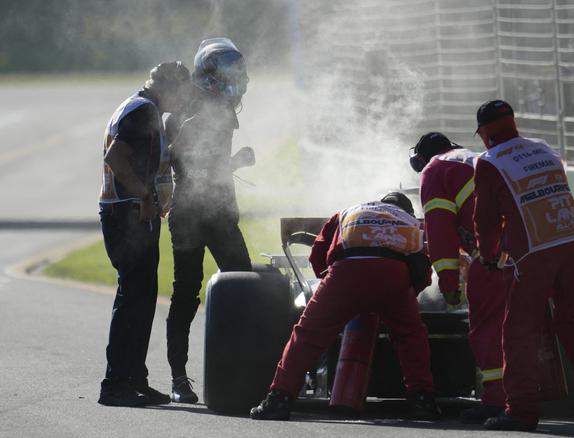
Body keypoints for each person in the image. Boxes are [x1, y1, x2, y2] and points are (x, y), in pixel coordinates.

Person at [472, 99, 574, 431]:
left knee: (519, 330)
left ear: (484, 133)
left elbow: (485, 217)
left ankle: (522, 411)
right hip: (573, 239)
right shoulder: (544, 148)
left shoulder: (489, 161)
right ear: (513, 122)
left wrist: (487, 254)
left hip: (534, 249)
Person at [250, 193, 440, 421]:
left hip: (345, 272)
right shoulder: (412, 222)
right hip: (392, 275)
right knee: (411, 336)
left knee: (307, 335)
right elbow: (423, 268)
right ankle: (423, 401)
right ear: (406, 210)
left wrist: (330, 284)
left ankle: (279, 398)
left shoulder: (349, 211)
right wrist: (411, 294)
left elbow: (318, 254)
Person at [165, 37, 253, 403]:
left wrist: (233, 166)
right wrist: (235, 163)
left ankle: (246, 365)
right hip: (190, 212)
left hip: (219, 210)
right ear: (209, 75)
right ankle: (179, 377)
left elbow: (212, 168)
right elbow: (187, 168)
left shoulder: (223, 108)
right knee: (187, 292)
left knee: (244, 283)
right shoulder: (185, 114)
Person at [98, 61, 190, 406]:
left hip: (134, 214)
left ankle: (134, 378)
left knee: (141, 298)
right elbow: (116, 158)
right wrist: (143, 195)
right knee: (133, 299)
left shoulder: (141, 107)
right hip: (129, 215)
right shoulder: (143, 111)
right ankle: (115, 384)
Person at [409, 132, 508, 423]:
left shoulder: (435, 169)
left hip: (491, 258)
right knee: (516, 329)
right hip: (524, 252)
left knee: (487, 330)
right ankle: (525, 396)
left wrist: (449, 284)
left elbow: (440, 233)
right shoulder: (479, 159)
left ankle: (495, 401)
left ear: (420, 160)